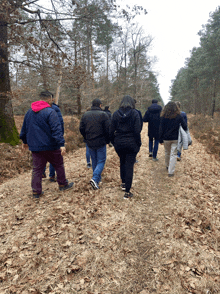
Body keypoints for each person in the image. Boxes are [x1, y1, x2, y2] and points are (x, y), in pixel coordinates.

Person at [20, 91, 73, 198]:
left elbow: (24, 129)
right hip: (51, 146)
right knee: (58, 165)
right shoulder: (51, 112)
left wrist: (24, 141)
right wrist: (61, 144)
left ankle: (36, 191)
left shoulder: (29, 112)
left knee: (37, 169)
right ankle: (62, 184)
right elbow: (56, 129)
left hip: (36, 147)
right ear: (49, 100)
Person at [110, 95, 142, 199]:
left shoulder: (115, 114)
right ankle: (127, 192)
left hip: (119, 142)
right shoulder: (135, 113)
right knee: (129, 165)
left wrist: (113, 141)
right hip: (132, 142)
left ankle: (123, 183)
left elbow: (111, 130)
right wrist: (138, 143)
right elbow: (137, 130)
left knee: (122, 162)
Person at [79, 98, 110, 190]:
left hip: (90, 141)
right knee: (101, 161)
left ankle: (96, 180)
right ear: (100, 105)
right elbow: (108, 129)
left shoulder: (85, 115)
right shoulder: (103, 115)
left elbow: (81, 128)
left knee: (94, 160)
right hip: (100, 141)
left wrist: (86, 137)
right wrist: (108, 140)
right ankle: (95, 178)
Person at [159, 101, 187, 177]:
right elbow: (185, 126)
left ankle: (167, 166)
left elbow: (161, 129)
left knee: (167, 152)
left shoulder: (163, 116)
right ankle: (171, 171)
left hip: (166, 138)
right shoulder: (179, 116)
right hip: (175, 138)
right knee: (173, 154)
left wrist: (160, 139)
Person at [42, 91, 64, 181]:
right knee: (54, 158)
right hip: (53, 137)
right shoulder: (55, 109)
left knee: (42, 156)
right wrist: (60, 136)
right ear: (52, 99)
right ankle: (52, 175)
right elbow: (60, 123)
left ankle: (42, 172)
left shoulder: (37, 108)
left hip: (42, 136)